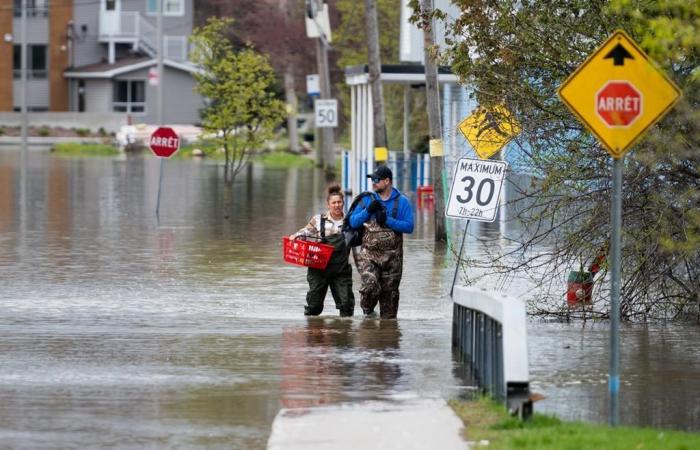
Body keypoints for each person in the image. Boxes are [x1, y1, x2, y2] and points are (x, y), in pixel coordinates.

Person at [348, 165, 414, 319]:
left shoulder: (402, 202)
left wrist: (387, 220)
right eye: (372, 180)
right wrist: (367, 211)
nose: (373, 183)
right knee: (370, 286)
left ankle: (386, 336)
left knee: (390, 302)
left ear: (387, 181)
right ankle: (368, 312)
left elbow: (409, 227)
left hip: (393, 258)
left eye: (376, 180)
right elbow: (352, 223)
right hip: (369, 256)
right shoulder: (366, 200)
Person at [290, 184, 355, 317]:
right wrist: (295, 236)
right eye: (334, 202)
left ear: (343, 203)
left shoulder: (350, 221)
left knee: (347, 305)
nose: (337, 205)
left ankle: (344, 333)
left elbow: (358, 247)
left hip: (341, 269)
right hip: (318, 268)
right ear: (328, 204)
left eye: (339, 202)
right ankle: (312, 331)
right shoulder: (319, 219)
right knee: (314, 307)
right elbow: (305, 231)